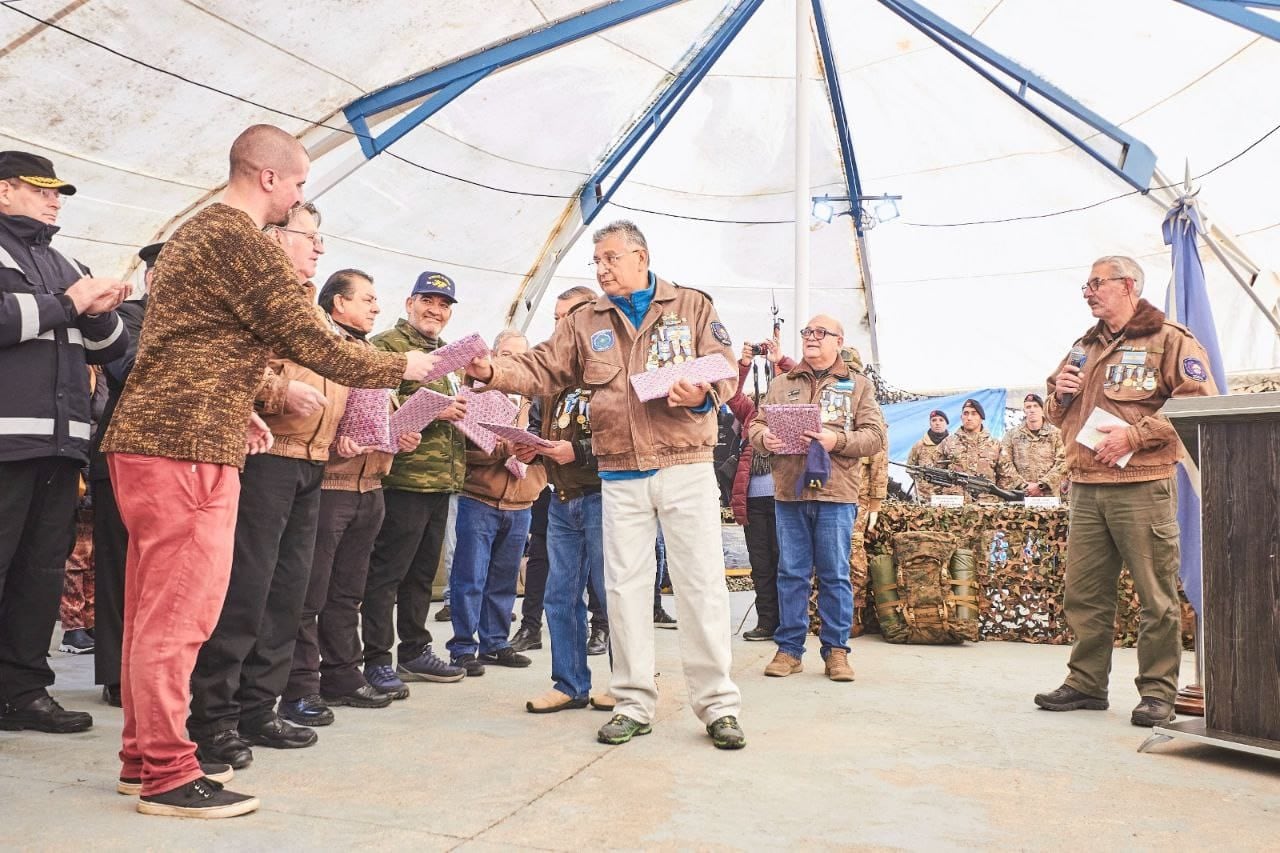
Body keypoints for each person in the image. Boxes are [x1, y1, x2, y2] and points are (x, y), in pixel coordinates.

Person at [101, 124, 438, 818]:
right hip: (185, 446)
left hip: (159, 437)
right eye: (301, 184)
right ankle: (168, 772)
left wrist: (248, 400)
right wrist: (399, 365)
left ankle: (142, 757)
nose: (301, 199)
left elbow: (195, 341)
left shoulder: (196, 235)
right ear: (268, 178)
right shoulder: (238, 240)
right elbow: (311, 337)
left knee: (150, 613)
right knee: (180, 619)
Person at [467, 219, 745, 750]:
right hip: (618, 472)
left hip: (684, 463)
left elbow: (724, 368)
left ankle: (718, 707)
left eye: (611, 258)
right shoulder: (585, 320)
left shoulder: (691, 306)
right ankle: (634, 702)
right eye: (597, 261)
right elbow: (542, 368)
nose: (602, 269)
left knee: (702, 587)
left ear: (641, 257)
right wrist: (492, 370)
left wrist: (702, 395)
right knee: (624, 590)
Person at [187, 202, 345, 764]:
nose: (319, 248)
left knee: (287, 592)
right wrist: (277, 392)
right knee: (245, 588)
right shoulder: (255, 294)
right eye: (310, 236)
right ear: (276, 239)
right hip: (267, 455)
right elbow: (220, 355)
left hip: (312, 460)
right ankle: (213, 718)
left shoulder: (308, 307)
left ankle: (260, 708)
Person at [1034, 255, 1217, 727]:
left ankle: (1158, 693)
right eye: (1086, 284)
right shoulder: (1083, 346)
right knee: (1085, 593)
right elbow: (1055, 413)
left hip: (1141, 485)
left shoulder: (1170, 339)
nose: (1088, 291)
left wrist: (1134, 437)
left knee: (1155, 596)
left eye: (1096, 283)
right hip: (1087, 486)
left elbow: (1198, 404)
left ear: (1128, 285)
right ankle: (1086, 683)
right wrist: (1063, 396)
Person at [0, 151, 131, 735]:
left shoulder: (64, 261)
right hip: (6, 443)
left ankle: (23, 693)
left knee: (40, 574)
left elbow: (114, 351)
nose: (56, 201)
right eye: (42, 190)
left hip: (61, 445)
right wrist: (72, 302)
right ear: (4, 192)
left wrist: (101, 312)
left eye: (59, 193)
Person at [281, 269, 421, 723]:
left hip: (371, 486)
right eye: (367, 299)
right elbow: (319, 412)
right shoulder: (319, 349)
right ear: (338, 304)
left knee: (348, 593)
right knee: (310, 594)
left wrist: (401, 433)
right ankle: (300, 686)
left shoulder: (367, 353)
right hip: (329, 488)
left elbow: (382, 413)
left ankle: (342, 674)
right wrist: (338, 438)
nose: (376, 307)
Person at [748, 316, 884, 682]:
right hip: (789, 492)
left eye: (820, 333)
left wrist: (835, 441)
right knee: (790, 573)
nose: (811, 337)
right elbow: (756, 425)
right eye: (807, 332)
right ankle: (789, 650)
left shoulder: (858, 386)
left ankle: (836, 652)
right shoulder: (781, 383)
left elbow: (874, 437)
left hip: (836, 493)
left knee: (835, 575)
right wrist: (765, 440)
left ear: (838, 341)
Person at [360, 272, 469, 698]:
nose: (435, 311)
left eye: (444, 305)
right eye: (428, 301)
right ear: (409, 303)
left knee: (423, 574)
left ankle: (415, 650)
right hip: (402, 479)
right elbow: (372, 401)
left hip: (441, 480)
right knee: (387, 573)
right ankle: (376, 659)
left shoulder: (449, 357)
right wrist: (437, 411)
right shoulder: (386, 347)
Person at [524, 287, 612, 713]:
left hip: (604, 495)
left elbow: (631, 439)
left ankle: (629, 684)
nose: (560, 326)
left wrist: (577, 452)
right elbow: (542, 428)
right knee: (560, 595)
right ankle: (570, 683)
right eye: (555, 318)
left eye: (568, 317)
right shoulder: (553, 380)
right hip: (560, 496)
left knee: (614, 594)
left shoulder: (611, 370)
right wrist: (527, 447)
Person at [446, 330, 546, 674]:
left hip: (522, 502)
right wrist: (500, 449)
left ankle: (495, 643)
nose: (510, 362)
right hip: (480, 498)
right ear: (491, 355)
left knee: (504, 578)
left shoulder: (539, 398)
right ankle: (462, 647)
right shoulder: (470, 394)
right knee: (469, 576)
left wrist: (536, 471)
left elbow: (550, 448)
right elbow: (459, 450)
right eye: (504, 354)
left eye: (519, 356)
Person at [91, 242, 155, 708]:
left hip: (175, 458)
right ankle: (117, 672)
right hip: (122, 453)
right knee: (120, 566)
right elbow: (130, 368)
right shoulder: (129, 316)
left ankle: (158, 668)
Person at [727, 336, 796, 642]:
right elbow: (730, 392)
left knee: (786, 561)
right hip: (753, 501)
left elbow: (800, 382)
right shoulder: (750, 413)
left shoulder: (792, 407)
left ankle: (789, 623)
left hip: (784, 497)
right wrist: (743, 364)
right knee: (760, 563)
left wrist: (779, 359)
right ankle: (767, 622)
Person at [936, 399, 1010, 503]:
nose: (969, 418)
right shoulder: (947, 443)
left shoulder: (995, 445)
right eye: (965, 414)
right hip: (955, 507)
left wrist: (998, 499)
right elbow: (934, 474)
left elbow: (1006, 476)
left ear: (981, 418)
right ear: (961, 417)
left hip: (986, 508)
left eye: (974, 414)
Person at [1000, 393, 1067, 497]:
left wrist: (1041, 485)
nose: (1032, 410)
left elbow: (1063, 462)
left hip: (1049, 494)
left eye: (1036, 406)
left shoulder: (1056, 434)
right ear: (1024, 411)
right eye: (1028, 407)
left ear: (1042, 409)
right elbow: (1004, 462)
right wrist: (1023, 485)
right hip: (1022, 493)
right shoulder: (1012, 435)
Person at [906, 410, 949, 502]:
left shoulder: (953, 445)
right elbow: (910, 468)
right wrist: (922, 481)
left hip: (947, 497)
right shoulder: (919, 445)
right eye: (934, 420)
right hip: (923, 497)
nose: (937, 423)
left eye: (941, 420)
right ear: (930, 423)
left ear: (946, 423)